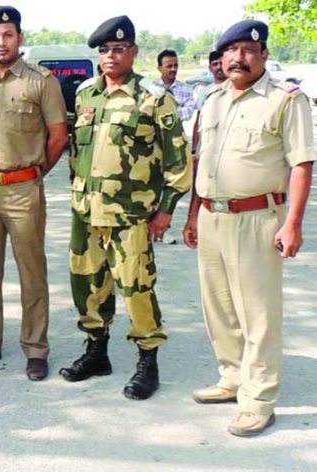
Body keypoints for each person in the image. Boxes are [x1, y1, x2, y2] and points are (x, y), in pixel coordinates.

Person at [183, 20, 315, 436]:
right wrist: (192, 213)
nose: (238, 58)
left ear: (264, 56)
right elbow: (200, 162)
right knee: (219, 308)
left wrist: (293, 223)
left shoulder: (285, 100)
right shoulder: (214, 99)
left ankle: (259, 400)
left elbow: (301, 164)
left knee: (258, 313)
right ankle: (233, 378)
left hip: (257, 218)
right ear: (221, 58)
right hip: (211, 216)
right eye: (231, 51)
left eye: (248, 50)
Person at [59, 15, 192, 401]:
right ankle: (97, 351)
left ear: (133, 51)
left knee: (136, 287)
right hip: (86, 212)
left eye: (119, 49)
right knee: (87, 284)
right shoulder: (86, 95)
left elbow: (179, 162)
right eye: (104, 50)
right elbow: (76, 153)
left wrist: (166, 209)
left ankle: (147, 361)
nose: (111, 56)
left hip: (131, 215)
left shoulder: (153, 98)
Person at [0, 6, 68, 382]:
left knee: (31, 273)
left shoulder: (42, 81)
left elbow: (58, 136)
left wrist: (35, 174)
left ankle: (36, 349)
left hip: (23, 191)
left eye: (7, 35)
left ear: (19, 37)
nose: (0, 42)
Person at [155, 49, 196, 122]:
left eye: (175, 65)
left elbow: (188, 112)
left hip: (176, 132)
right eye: (169, 66)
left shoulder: (185, 89)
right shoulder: (152, 88)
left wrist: (162, 117)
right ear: (159, 68)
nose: (173, 69)